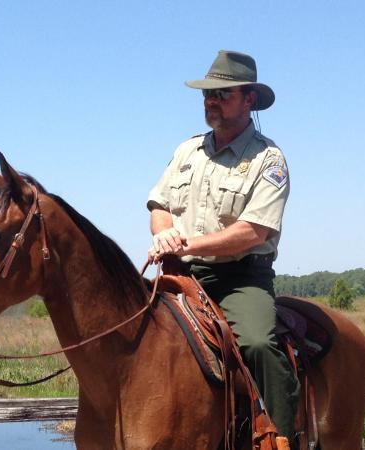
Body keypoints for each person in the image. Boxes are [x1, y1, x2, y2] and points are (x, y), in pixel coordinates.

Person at [147, 50, 299, 442]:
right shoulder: (187, 151)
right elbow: (160, 204)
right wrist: (163, 233)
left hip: (238, 278)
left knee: (258, 343)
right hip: (181, 276)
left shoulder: (269, 160)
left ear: (249, 100)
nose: (210, 102)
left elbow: (254, 232)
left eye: (222, 94)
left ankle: (279, 438)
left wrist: (187, 244)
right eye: (207, 95)